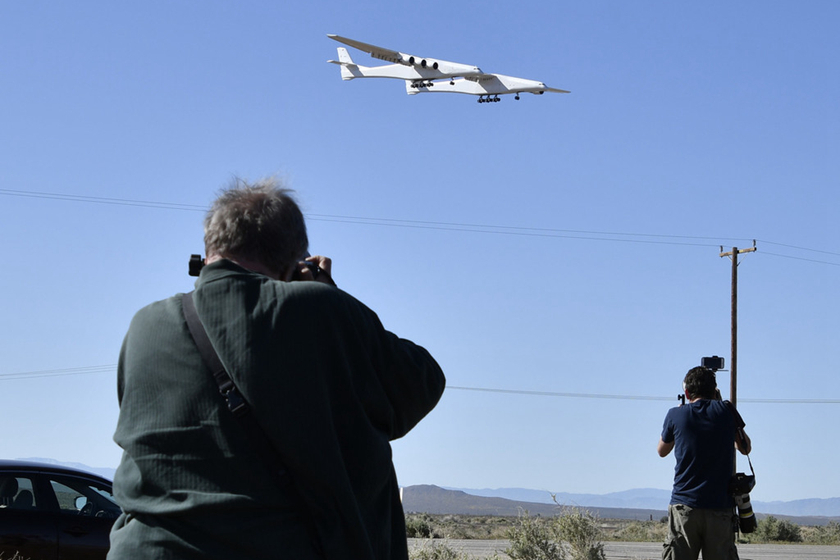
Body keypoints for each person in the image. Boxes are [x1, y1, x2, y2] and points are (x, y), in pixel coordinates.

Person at [108, 178, 446, 560]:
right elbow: (421, 381)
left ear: (209, 250)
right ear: (293, 260)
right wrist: (328, 289)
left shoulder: (146, 325)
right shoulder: (319, 310)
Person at [657, 366, 751, 560]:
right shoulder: (726, 411)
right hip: (719, 506)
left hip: (684, 505)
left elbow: (662, 450)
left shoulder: (675, 414)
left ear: (687, 392)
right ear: (714, 390)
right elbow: (745, 447)